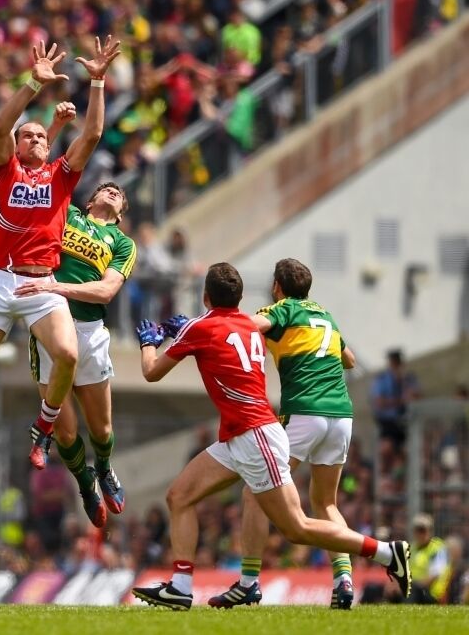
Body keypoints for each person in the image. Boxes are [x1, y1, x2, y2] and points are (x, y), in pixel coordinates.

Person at [131, 262, 411, 611]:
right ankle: (181, 587)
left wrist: (150, 341)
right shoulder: (309, 317)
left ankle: (385, 552)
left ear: (205, 296)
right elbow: (347, 359)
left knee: (296, 527)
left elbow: (152, 371)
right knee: (180, 495)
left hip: (262, 432)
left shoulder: (264, 316)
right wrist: (191, 327)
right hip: (266, 429)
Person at [0, 36, 121, 475]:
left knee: (68, 356)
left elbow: (92, 134)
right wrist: (33, 84)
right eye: (28, 135)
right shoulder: (5, 171)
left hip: (43, 284)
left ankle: (44, 427)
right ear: (17, 147)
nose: (35, 138)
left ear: (48, 146)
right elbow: (1, 126)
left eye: (41, 135)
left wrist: (97, 82)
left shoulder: (61, 176)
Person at [209, 257, 358, 609]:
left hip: (305, 411)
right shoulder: (325, 315)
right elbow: (349, 360)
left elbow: (247, 325)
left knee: (256, 491)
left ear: (277, 286)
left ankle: (248, 582)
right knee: (326, 502)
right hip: (341, 415)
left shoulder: (283, 309)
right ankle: (344, 580)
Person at [16, 181, 136, 528]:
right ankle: (85, 482)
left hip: (90, 332)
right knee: (66, 434)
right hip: (52, 326)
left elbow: (107, 290)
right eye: (106, 189)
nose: (114, 191)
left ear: (121, 213)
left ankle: (104, 469)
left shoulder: (123, 243)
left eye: (119, 193)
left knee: (102, 429)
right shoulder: (68, 214)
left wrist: (57, 286)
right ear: (90, 200)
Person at [370, 348, 420, 450]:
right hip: (388, 422)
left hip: (407, 420)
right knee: (387, 448)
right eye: (394, 362)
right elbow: (379, 402)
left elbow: (416, 396)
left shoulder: (408, 378)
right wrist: (400, 401)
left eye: (398, 362)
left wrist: (403, 383)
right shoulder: (382, 379)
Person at [407, 513, 449, 604]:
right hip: (413, 588)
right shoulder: (412, 548)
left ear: (430, 531)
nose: (420, 534)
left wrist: (412, 585)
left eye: (423, 530)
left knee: (411, 591)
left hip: (431, 592)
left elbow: (434, 575)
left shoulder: (437, 548)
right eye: (417, 530)